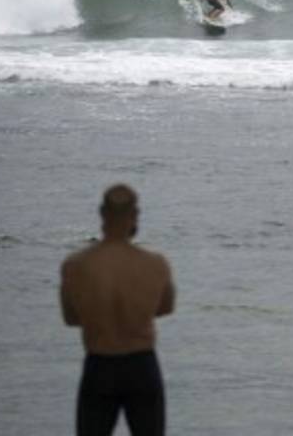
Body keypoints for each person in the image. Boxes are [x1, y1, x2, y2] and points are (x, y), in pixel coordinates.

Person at [61, 185, 175, 436]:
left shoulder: (76, 265)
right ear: (135, 215)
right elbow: (165, 308)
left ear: (102, 213)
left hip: (99, 366)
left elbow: (70, 318)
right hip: (141, 365)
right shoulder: (155, 265)